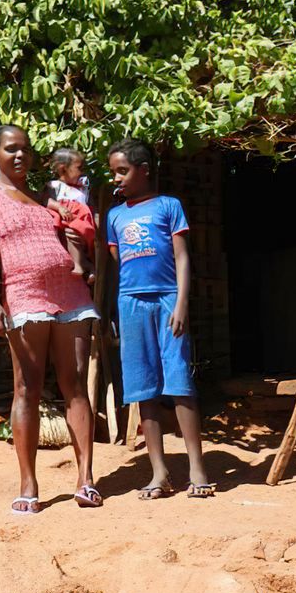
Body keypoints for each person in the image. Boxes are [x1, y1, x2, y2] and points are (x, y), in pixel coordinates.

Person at [0, 125, 103, 514]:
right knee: (27, 386)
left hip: (70, 293)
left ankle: (86, 479)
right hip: (24, 294)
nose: (20, 155)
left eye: (25, 149)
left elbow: (72, 231)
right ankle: (28, 484)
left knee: (74, 382)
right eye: (10, 149)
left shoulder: (46, 193)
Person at [104, 138, 213, 499]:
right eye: (113, 173)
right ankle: (159, 473)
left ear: (144, 170)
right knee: (142, 388)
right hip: (131, 304)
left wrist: (181, 303)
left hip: (168, 301)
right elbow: (122, 264)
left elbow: (182, 258)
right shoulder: (115, 216)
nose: (116, 179)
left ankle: (197, 470)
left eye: (123, 171)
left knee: (180, 383)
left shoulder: (169, 206)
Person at [46, 147, 96, 281]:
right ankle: (82, 265)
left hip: (81, 224)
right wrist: (59, 208)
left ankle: (86, 265)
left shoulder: (83, 189)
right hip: (66, 224)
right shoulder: (54, 186)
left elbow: (90, 207)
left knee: (78, 237)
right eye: (79, 168)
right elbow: (46, 200)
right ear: (63, 169)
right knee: (71, 234)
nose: (82, 172)